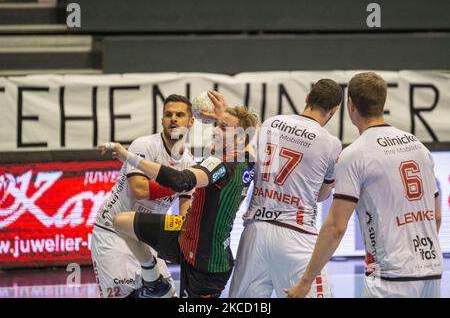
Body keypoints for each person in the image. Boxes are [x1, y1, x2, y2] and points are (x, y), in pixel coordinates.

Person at [285, 72, 443, 298]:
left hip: (390, 278)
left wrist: (305, 282)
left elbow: (336, 227)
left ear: (350, 105)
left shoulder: (355, 155)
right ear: (383, 102)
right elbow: (436, 216)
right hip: (432, 271)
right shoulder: (418, 146)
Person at [100, 91, 259, 298]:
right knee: (122, 221)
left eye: (222, 128)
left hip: (207, 264)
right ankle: (154, 281)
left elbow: (181, 181)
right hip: (184, 234)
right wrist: (222, 116)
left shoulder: (218, 164)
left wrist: (129, 157)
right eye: (217, 126)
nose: (215, 131)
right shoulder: (248, 160)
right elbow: (247, 139)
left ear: (238, 138)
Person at [229, 79, 343, 298]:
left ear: (307, 98)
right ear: (334, 110)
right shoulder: (330, 143)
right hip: (296, 234)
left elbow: (249, 166)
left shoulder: (271, 123)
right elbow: (321, 195)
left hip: (256, 230)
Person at [90, 94, 195, 298]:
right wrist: (180, 182)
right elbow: (140, 190)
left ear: (191, 121)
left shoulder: (189, 163)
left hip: (146, 235)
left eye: (179, 115)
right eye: (168, 114)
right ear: (162, 120)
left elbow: (185, 213)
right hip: (113, 232)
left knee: (167, 295)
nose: (173, 118)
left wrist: (184, 232)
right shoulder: (144, 145)